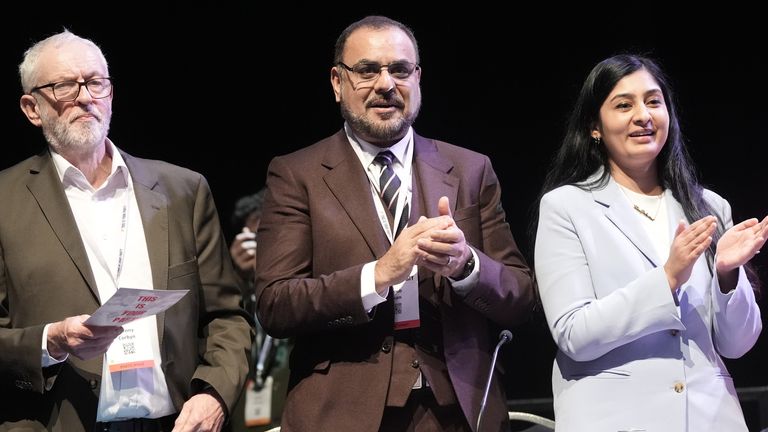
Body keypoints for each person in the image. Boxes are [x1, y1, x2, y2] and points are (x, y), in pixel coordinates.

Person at [254, 15, 535, 432]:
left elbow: (520, 297)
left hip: (458, 412)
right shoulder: (298, 174)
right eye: (367, 70)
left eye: (400, 70)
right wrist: (376, 276)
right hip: (342, 414)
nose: (386, 84)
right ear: (337, 82)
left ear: (417, 78)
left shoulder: (470, 169)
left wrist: (466, 266)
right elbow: (276, 305)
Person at [0, 30, 253, 431]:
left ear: (111, 93)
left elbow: (227, 317)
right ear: (32, 108)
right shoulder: (4, 201)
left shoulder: (182, 190)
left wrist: (215, 393)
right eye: (65, 86)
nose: (85, 97)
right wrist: (49, 341)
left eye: (96, 82)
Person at [533, 53, 768, 431]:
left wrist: (727, 274)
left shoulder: (707, 207)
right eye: (624, 105)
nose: (643, 115)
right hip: (615, 419)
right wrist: (668, 278)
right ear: (595, 126)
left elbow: (737, 345)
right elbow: (574, 334)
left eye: (653, 101)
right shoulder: (566, 207)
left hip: (710, 418)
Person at [228, 189, 291, 432]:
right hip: (244, 421)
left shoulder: (309, 281)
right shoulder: (235, 292)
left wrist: (271, 277)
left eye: (263, 237)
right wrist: (240, 279)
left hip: (291, 416)